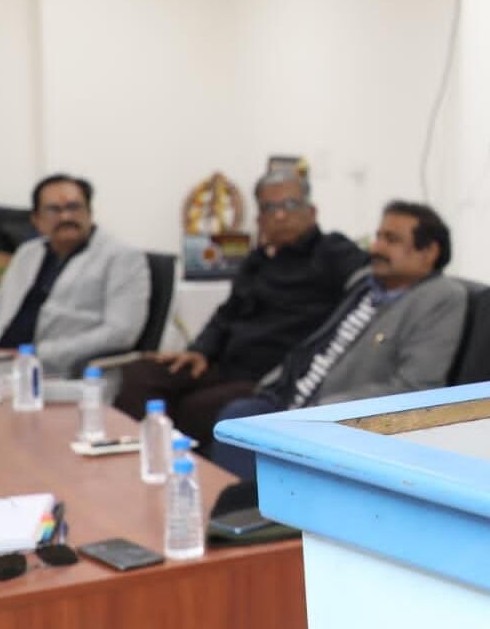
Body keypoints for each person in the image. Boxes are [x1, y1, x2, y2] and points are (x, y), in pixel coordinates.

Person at [207, 200, 466, 480]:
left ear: (429, 252)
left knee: (240, 436)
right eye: (378, 237)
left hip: (332, 418)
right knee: (235, 418)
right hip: (290, 398)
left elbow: (415, 387)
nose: (376, 248)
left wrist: (324, 410)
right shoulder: (366, 284)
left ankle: (253, 505)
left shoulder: (441, 297)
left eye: (391, 240)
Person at [114, 170, 368, 441]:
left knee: (196, 408)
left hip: (274, 376)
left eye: (290, 205)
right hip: (226, 364)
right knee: (139, 376)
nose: (280, 215)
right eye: (270, 208)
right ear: (259, 219)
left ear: (312, 211)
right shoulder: (256, 260)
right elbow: (226, 314)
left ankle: (175, 460)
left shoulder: (333, 252)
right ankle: (135, 455)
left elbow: (374, 283)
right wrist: (199, 351)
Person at [0, 174, 147, 377]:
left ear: (90, 213)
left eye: (74, 207)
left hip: (56, 371)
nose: (65, 217)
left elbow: (120, 333)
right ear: (36, 220)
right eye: (54, 209)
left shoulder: (121, 258)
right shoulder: (27, 253)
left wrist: (33, 355)